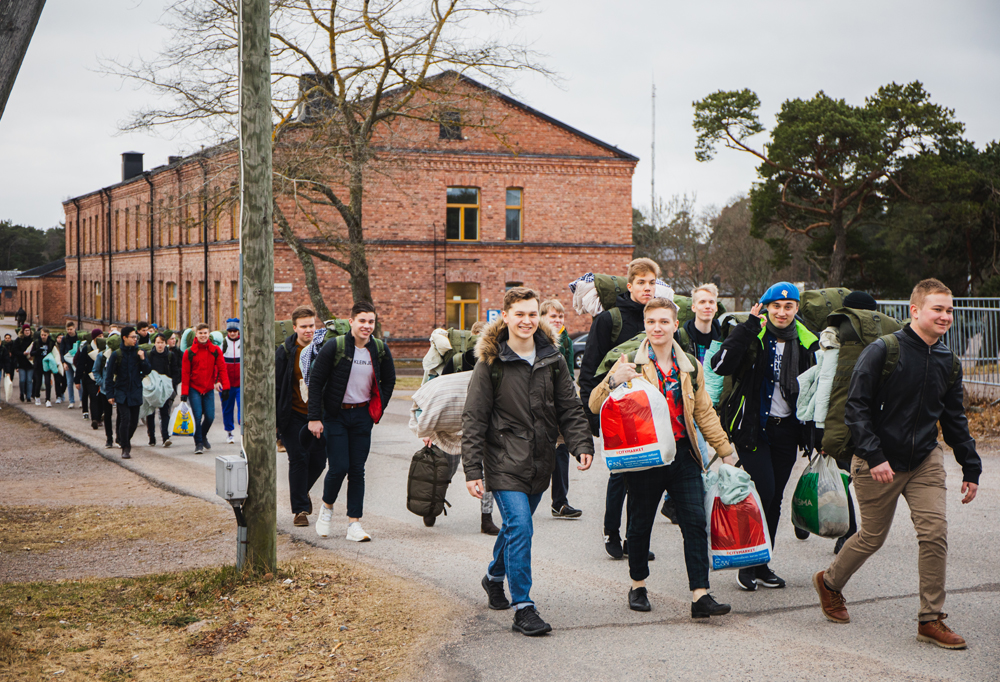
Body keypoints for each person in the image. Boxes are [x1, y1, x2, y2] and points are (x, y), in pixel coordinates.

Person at [814, 279, 981, 649]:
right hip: (879, 461)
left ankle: (930, 619)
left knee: (934, 533)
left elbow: (954, 419)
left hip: (924, 459)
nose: (945, 316)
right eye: (938, 309)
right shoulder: (883, 351)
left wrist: (971, 466)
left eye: (950, 310)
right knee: (872, 537)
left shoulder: (948, 362)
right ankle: (829, 583)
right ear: (915, 310)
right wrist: (874, 455)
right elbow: (855, 407)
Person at [590, 297, 735, 617]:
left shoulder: (689, 367)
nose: (658, 327)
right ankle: (638, 584)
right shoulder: (629, 361)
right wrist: (614, 380)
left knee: (695, 522)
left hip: (683, 455)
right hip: (644, 456)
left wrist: (726, 451)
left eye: (664, 322)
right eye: (652, 321)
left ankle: (700, 595)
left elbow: (704, 413)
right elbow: (594, 403)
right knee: (640, 525)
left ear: (674, 324)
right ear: (645, 325)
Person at [462, 287, 595, 636]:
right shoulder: (490, 362)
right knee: (521, 526)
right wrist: (472, 469)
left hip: (540, 460)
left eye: (532, 314)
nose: (526, 320)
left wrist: (582, 443)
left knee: (512, 528)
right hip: (503, 460)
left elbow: (569, 406)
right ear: (504, 317)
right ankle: (524, 607)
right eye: (519, 314)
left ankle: (493, 576)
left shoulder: (553, 358)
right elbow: (474, 418)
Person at [710, 281, 818, 592]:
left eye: (788, 306)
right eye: (776, 306)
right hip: (753, 428)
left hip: (787, 430)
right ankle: (748, 562)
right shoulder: (752, 334)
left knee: (774, 501)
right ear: (766, 308)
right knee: (763, 493)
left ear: (796, 308)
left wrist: (817, 437)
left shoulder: (808, 341)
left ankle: (761, 563)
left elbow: (815, 391)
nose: (782, 312)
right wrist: (746, 328)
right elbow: (720, 365)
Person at [578, 258, 659, 560]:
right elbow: (588, 370)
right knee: (621, 474)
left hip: (648, 408)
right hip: (615, 407)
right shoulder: (610, 320)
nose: (646, 288)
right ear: (630, 285)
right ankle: (612, 531)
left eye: (651, 282)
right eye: (641, 282)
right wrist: (591, 416)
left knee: (647, 474)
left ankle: (636, 540)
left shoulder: (657, 318)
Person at [308, 301, 396, 542]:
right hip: (335, 415)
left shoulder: (378, 349)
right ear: (351, 322)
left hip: (362, 416)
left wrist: (377, 409)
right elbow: (315, 381)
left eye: (371, 322)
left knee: (357, 469)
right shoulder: (335, 347)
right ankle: (326, 509)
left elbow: (389, 381)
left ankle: (354, 524)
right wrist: (314, 417)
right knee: (339, 467)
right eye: (362, 321)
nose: (367, 326)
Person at [662, 283, 724, 523]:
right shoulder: (682, 335)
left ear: (716, 307)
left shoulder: (723, 336)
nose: (707, 306)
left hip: (714, 402)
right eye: (702, 302)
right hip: (687, 403)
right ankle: (691, 505)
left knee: (694, 455)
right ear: (694, 306)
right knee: (700, 455)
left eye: (711, 302)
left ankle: (671, 501)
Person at [276, 306, 327, 527]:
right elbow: (277, 386)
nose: (309, 330)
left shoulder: (324, 349)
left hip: (319, 417)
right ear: (294, 327)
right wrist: (276, 422)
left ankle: (301, 492)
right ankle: (300, 510)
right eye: (304, 326)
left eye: (312, 325)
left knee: (319, 461)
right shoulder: (286, 351)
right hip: (293, 415)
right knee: (298, 459)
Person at [539, 298, 582, 520]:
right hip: (538, 404)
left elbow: (570, 375)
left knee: (561, 450)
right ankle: (525, 497)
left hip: (559, 403)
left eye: (560, 316)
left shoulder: (566, 340)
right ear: (542, 317)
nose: (557, 320)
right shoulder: (536, 338)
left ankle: (560, 502)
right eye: (552, 316)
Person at [181, 323, 230, 454]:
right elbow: (185, 374)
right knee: (197, 416)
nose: (203, 336)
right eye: (200, 333)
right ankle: (198, 443)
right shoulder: (189, 352)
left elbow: (222, 368)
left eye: (205, 333)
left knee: (209, 416)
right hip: (194, 388)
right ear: (196, 334)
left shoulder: (215, 350)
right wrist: (184, 393)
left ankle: (202, 435)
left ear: (209, 334)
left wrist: (226, 387)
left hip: (208, 388)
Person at [104, 326, 151, 459]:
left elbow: (147, 370)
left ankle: (123, 439)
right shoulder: (116, 354)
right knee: (125, 419)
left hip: (135, 391)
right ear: (124, 338)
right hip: (121, 391)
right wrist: (110, 394)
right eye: (132, 337)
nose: (135, 339)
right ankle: (126, 447)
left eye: (136, 337)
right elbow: (109, 376)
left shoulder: (140, 352)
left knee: (134, 422)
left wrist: (143, 359)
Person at [146, 333, 181, 447]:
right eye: (158, 342)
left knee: (164, 412)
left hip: (165, 388)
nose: (160, 345)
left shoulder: (170, 356)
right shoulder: (150, 355)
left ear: (165, 343)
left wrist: (172, 383)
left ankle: (165, 437)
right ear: (154, 343)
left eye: (162, 342)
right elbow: (145, 370)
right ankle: (152, 436)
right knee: (150, 412)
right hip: (152, 387)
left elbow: (175, 371)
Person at [75, 328, 103, 421]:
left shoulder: (104, 348)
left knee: (100, 398)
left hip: (101, 376)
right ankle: (95, 419)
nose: (101, 338)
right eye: (99, 336)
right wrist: (77, 380)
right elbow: (80, 364)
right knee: (93, 397)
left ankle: (99, 415)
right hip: (89, 377)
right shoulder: (87, 349)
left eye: (102, 336)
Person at [221, 318, 242, 444]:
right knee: (227, 408)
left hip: (240, 383)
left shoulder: (243, 343)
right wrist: (218, 381)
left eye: (235, 330)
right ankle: (229, 432)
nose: (232, 333)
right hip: (227, 384)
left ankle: (243, 430)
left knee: (242, 408)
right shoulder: (223, 344)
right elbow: (218, 365)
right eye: (230, 330)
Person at [30, 327, 56, 407]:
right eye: (42, 335)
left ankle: (48, 399)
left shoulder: (51, 342)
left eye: (45, 335)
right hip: (38, 364)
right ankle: (37, 396)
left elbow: (54, 352)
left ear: (48, 335)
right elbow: (31, 353)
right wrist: (38, 352)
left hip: (47, 364)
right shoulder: (37, 342)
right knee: (38, 382)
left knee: (48, 382)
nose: (43, 336)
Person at [59, 322, 80, 408]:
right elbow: (62, 351)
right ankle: (71, 401)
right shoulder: (64, 339)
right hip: (67, 361)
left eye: (71, 329)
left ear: (74, 328)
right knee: (69, 381)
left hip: (77, 362)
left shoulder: (79, 337)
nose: (69, 331)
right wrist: (63, 362)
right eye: (68, 329)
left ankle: (82, 400)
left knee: (79, 381)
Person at [13, 325, 33, 402]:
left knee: (29, 380)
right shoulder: (19, 340)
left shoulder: (32, 340)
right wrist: (22, 353)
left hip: (30, 363)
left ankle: (28, 396)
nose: (27, 332)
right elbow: (15, 351)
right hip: (21, 363)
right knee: (22, 380)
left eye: (28, 330)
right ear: (23, 331)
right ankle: (22, 393)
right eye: (25, 330)